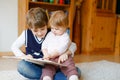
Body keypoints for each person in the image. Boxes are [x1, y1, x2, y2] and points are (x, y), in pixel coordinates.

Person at [11, 7, 80, 80]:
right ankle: (51, 76)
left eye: (43, 29)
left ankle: (53, 76)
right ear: (30, 28)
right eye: (35, 31)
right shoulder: (26, 34)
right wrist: (23, 56)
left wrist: (66, 53)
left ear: (47, 24)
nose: (40, 33)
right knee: (22, 66)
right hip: (38, 68)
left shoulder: (53, 32)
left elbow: (73, 45)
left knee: (73, 70)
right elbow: (14, 46)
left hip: (55, 65)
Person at [41, 10, 79, 80]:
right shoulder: (49, 34)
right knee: (47, 69)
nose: (54, 30)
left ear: (65, 27)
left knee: (69, 66)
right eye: (52, 28)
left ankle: (73, 76)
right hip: (51, 58)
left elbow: (62, 47)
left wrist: (53, 54)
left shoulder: (65, 36)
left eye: (57, 29)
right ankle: (47, 78)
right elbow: (44, 45)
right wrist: (46, 54)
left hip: (62, 58)